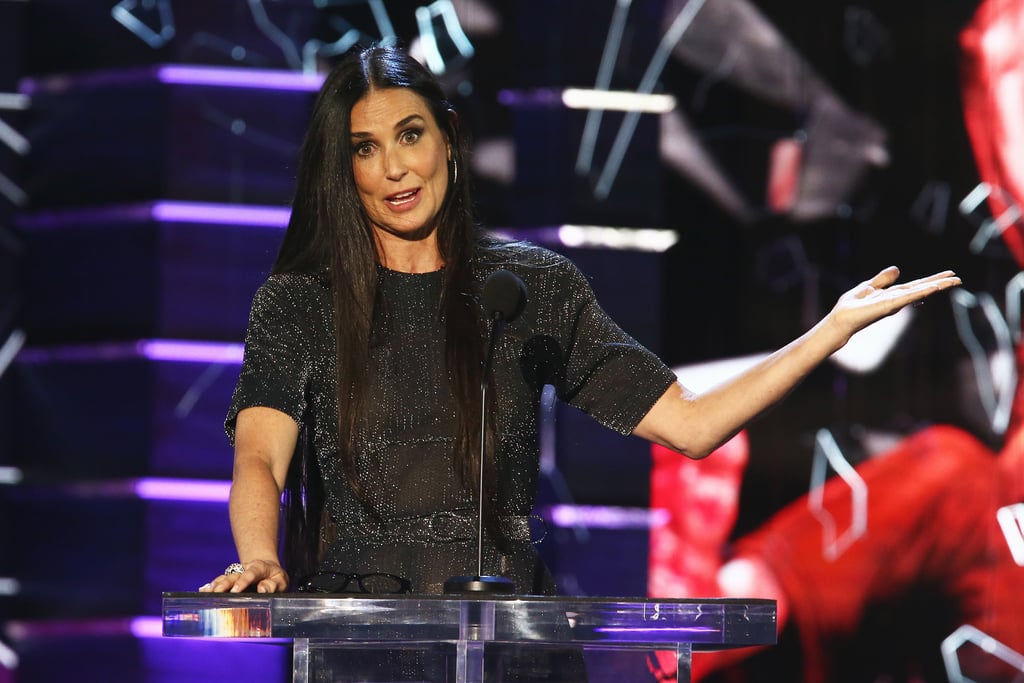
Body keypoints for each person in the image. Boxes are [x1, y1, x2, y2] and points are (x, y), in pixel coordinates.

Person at [196, 43, 959, 601]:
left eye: (410, 135)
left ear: (450, 141)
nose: (395, 168)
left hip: (511, 637)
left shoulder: (529, 288)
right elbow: (260, 457)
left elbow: (690, 427)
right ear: (345, 171)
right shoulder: (300, 303)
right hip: (361, 637)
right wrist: (259, 554)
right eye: (366, 149)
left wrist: (827, 332)